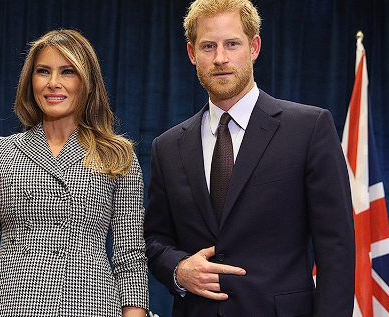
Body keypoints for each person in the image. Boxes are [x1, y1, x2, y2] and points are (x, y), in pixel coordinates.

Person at [143, 0, 355, 316]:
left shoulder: (309, 128)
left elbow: (336, 248)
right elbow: (155, 239)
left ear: (254, 47)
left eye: (232, 44)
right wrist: (178, 268)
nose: (220, 58)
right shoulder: (168, 146)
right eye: (208, 46)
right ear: (192, 54)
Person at [0, 29, 148, 317]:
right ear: (30, 81)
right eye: (43, 72)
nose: (53, 83)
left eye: (67, 72)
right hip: (4, 304)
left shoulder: (118, 157)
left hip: (89, 306)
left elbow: (130, 260)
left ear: (88, 83)